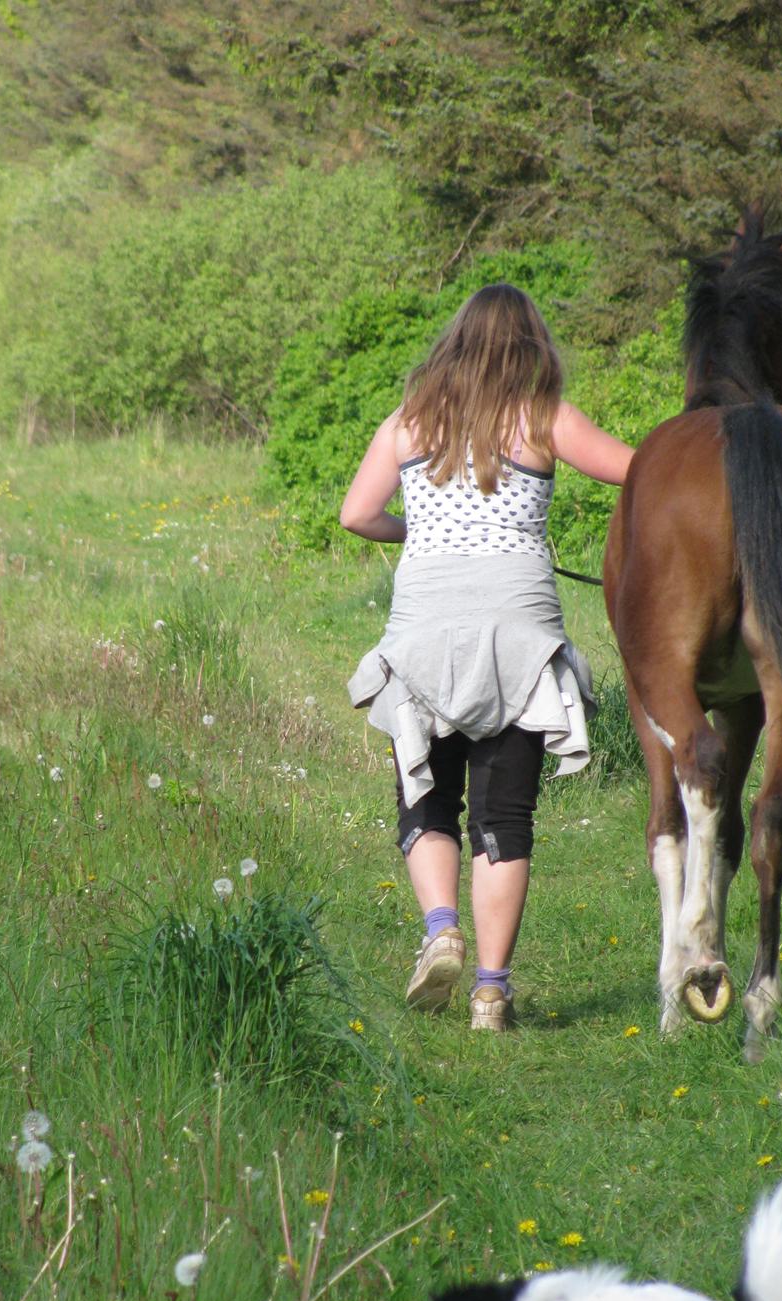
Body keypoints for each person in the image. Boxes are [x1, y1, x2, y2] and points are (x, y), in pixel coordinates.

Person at [341, 284, 634, 1031]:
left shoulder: (410, 422)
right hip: (518, 634)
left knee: (428, 798)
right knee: (505, 818)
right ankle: (490, 993)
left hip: (426, 630)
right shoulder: (544, 418)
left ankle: (441, 928)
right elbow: (641, 468)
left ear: (456, 344)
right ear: (532, 346)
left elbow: (356, 514)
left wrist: (421, 532)